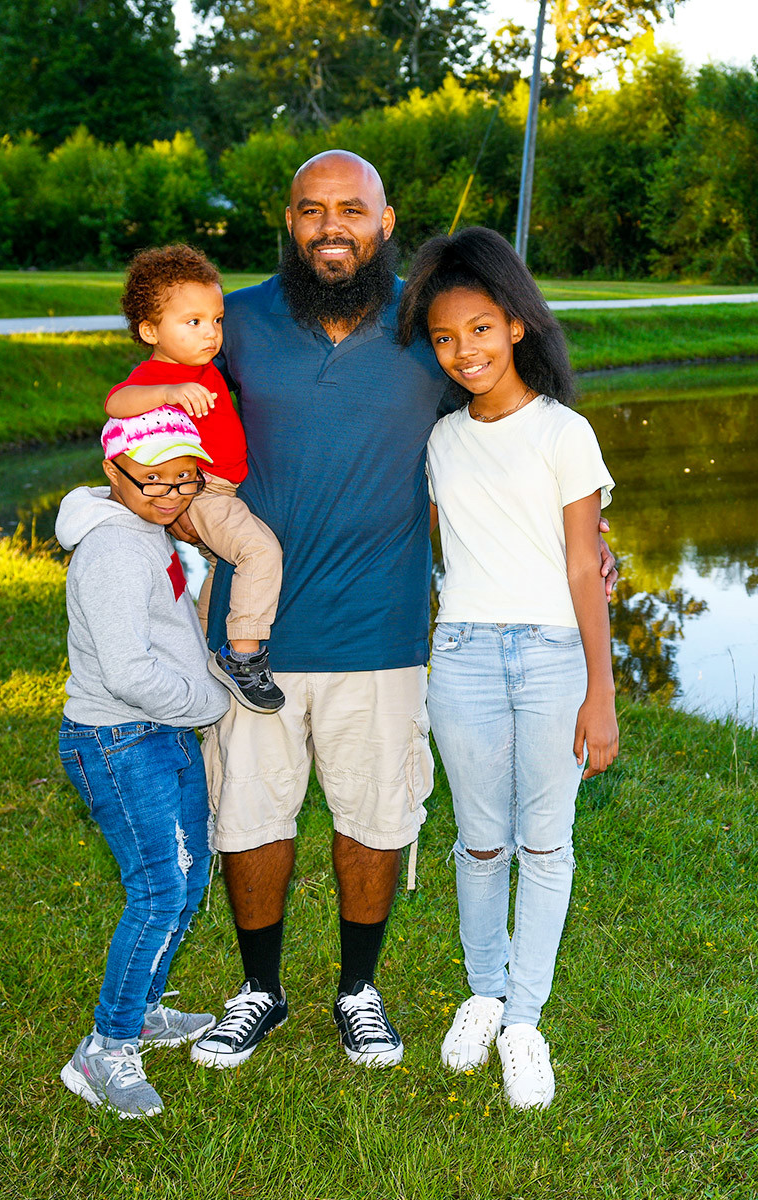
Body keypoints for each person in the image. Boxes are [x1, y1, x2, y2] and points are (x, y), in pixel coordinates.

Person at [187, 151, 617, 1072]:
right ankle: (259, 989)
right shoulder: (239, 324)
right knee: (249, 819)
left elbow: (506, 426)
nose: (330, 226)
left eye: (351, 210)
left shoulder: (427, 330)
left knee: (375, 817)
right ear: (289, 223)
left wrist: (591, 535)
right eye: (312, 210)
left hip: (381, 633)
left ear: (387, 224)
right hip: (252, 635)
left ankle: (358, 991)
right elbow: (162, 426)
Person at [397, 226, 619, 1110]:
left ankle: (525, 1020)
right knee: (480, 841)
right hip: (462, 657)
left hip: (555, 654)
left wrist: (601, 692)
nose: (464, 352)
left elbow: (581, 564)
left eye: (481, 330)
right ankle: (483, 995)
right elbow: (450, 554)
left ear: (517, 325)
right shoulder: (442, 441)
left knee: (545, 840)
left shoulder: (565, 433)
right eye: (445, 339)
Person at [56, 408, 230, 1118]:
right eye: (150, 479)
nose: (168, 493)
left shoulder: (146, 532)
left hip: (160, 733)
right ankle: (104, 1049)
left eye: (183, 478)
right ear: (113, 471)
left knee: (188, 879)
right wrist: (206, 701)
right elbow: (128, 670)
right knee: (160, 890)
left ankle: (145, 1008)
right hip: (122, 739)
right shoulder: (114, 553)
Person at [105, 244, 284, 714]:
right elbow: (115, 404)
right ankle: (244, 656)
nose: (211, 333)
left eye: (216, 320)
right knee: (259, 551)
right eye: (193, 322)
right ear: (150, 330)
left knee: (226, 568)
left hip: (225, 489)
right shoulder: (158, 374)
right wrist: (167, 391)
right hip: (202, 490)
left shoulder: (204, 368)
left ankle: (202, 650)